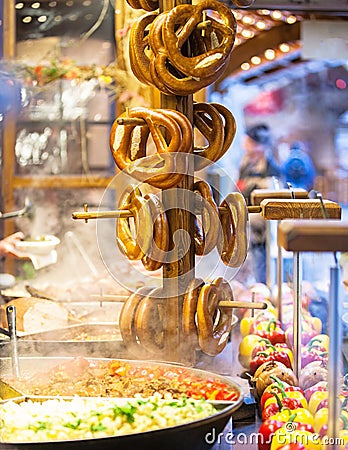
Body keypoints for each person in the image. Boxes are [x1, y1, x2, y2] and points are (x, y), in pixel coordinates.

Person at [237, 123, 282, 284]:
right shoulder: (246, 165)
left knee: (259, 258)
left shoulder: (272, 168)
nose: (246, 148)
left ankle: (262, 285)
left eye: (249, 144)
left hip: (263, 224)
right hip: (247, 219)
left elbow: (274, 195)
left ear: (260, 146)